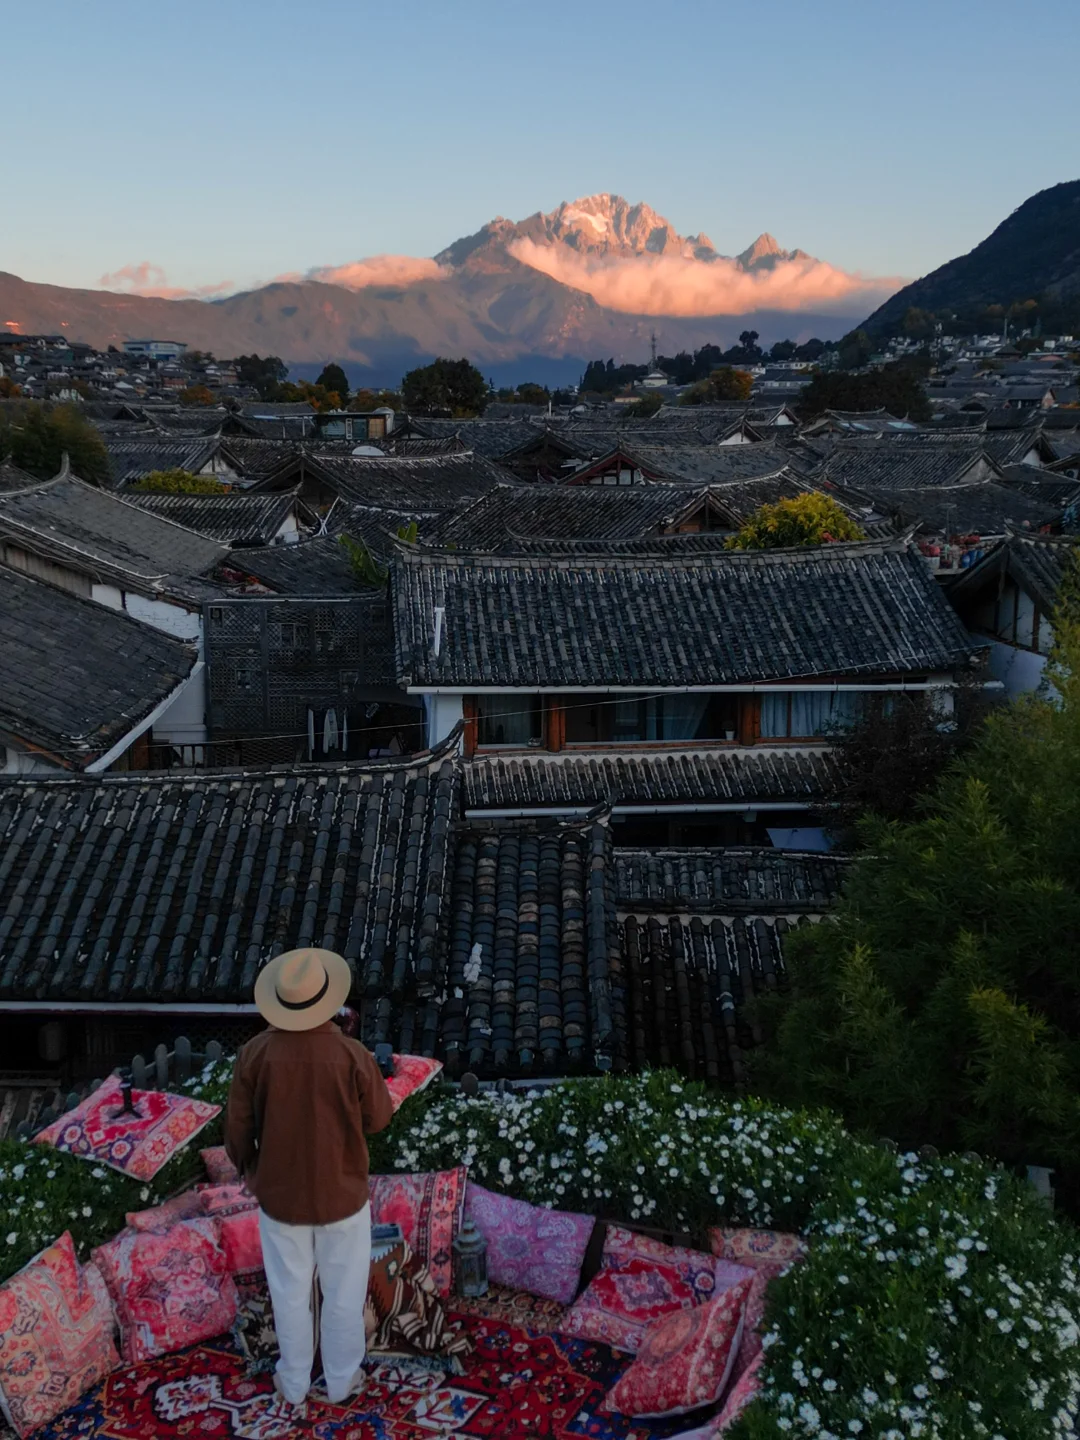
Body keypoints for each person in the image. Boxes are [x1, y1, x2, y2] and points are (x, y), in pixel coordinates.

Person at [224, 947, 393, 1410]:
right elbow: (379, 1119)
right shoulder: (352, 1055)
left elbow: (237, 1131)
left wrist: (251, 1170)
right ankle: (341, 1380)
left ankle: (294, 1382)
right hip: (343, 1194)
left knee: (289, 1293)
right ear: (327, 1000)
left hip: (280, 1197)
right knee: (344, 1292)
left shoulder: (253, 1054)